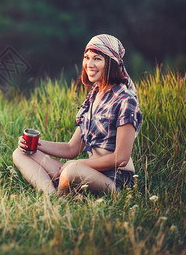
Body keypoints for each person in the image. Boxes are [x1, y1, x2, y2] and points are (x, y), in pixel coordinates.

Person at [12, 34, 142, 195]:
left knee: (71, 171)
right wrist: (33, 144)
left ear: (111, 63)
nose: (90, 64)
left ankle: (63, 192)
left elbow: (120, 158)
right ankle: (51, 197)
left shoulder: (125, 100)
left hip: (116, 179)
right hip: (84, 170)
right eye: (87, 57)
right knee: (21, 153)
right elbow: (71, 148)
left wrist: (78, 164)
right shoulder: (94, 96)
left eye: (97, 59)